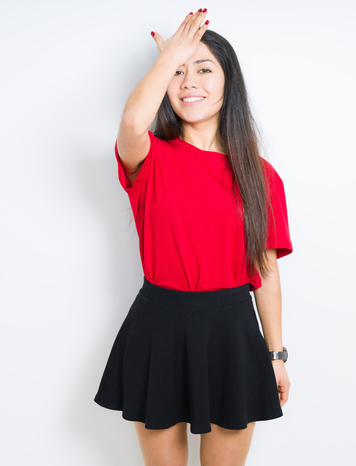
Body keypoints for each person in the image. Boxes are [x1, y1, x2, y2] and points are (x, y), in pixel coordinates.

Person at [94, 8, 293, 466]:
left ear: (229, 81)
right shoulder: (151, 158)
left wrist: (276, 353)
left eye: (204, 68)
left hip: (233, 330)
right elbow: (130, 124)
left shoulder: (260, 177)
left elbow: (266, 270)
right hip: (158, 326)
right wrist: (168, 59)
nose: (189, 82)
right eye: (178, 71)